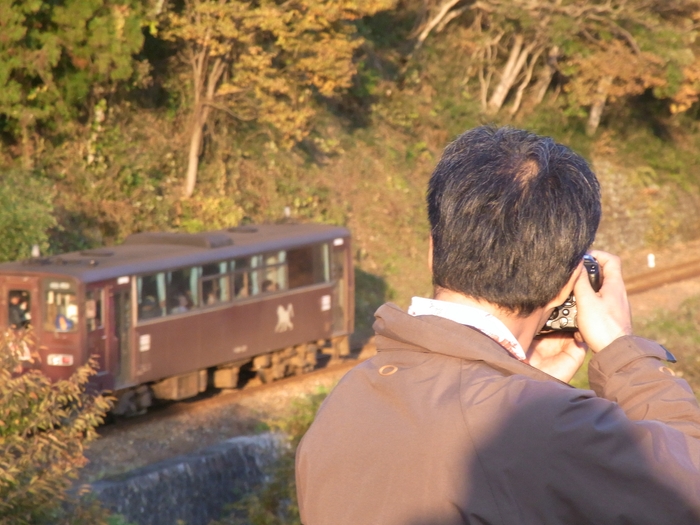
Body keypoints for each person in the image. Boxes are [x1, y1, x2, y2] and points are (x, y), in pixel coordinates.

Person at [295, 126, 700, 524]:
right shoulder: (550, 429)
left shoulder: (345, 401)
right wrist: (624, 353)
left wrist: (521, 379)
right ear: (567, 285)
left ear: (433, 251)